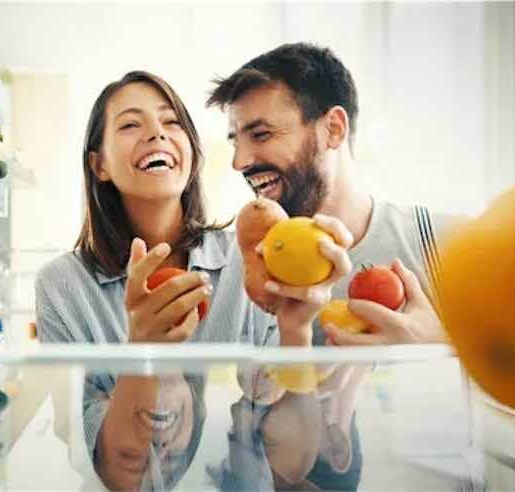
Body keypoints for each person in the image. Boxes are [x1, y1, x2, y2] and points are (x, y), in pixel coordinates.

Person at [33, 71, 351, 490]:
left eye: (171, 122)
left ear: (191, 152)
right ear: (100, 165)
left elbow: (290, 462)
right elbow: (119, 474)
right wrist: (143, 350)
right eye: (131, 124)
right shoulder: (62, 286)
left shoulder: (251, 259)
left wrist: (295, 332)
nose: (156, 134)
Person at [207, 42, 461, 490]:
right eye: (237, 140)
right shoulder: (237, 272)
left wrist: (438, 346)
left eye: (261, 134)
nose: (240, 162)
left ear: (333, 129)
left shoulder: (444, 247)